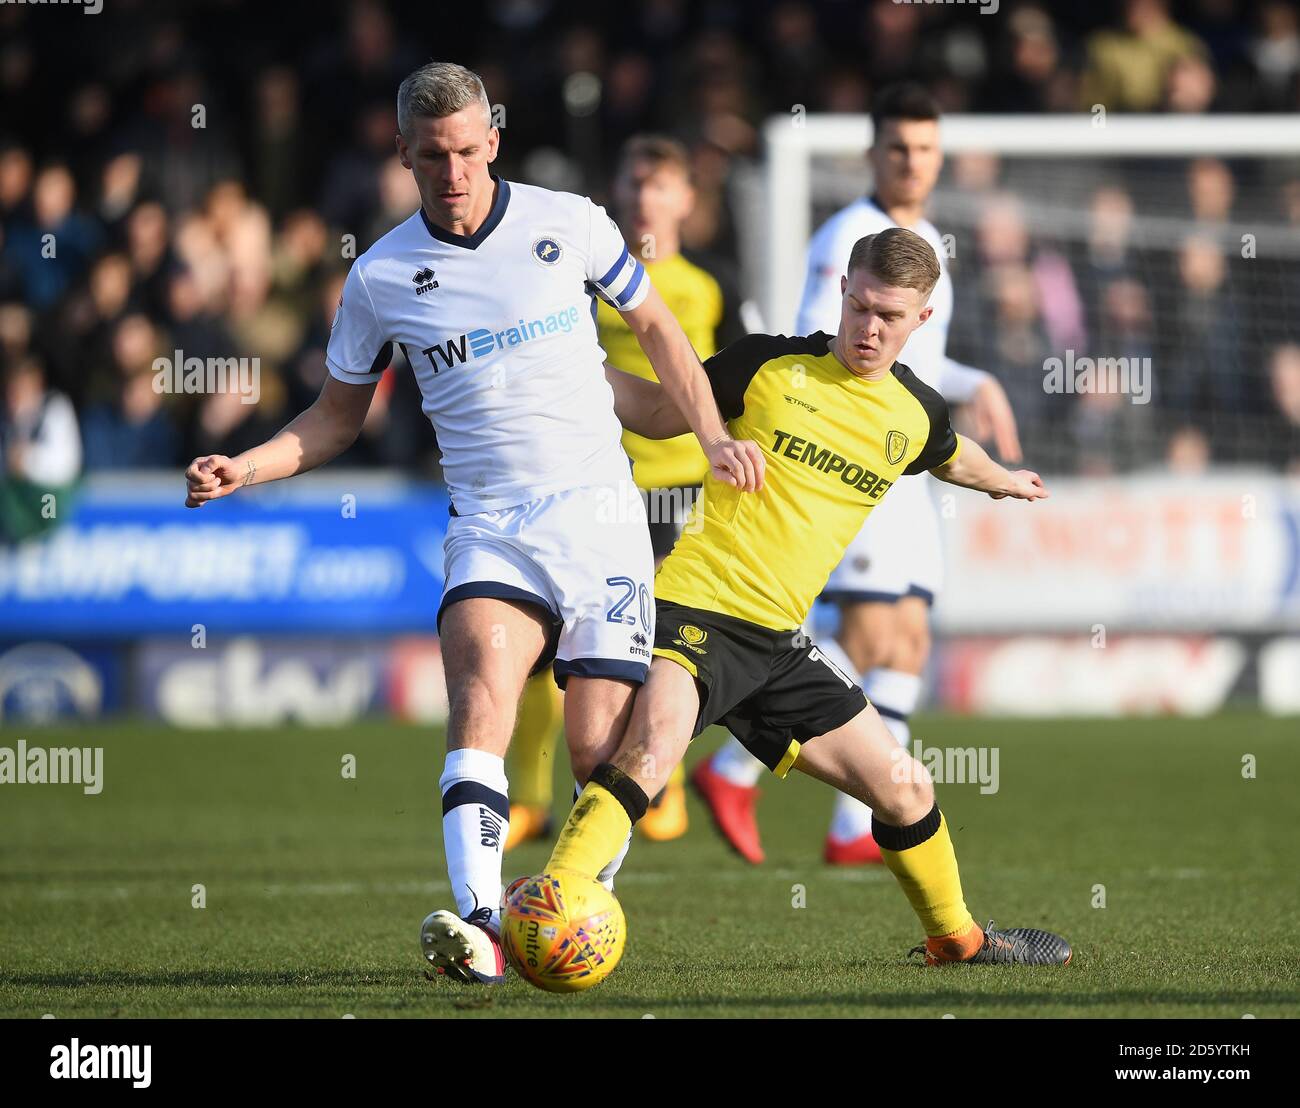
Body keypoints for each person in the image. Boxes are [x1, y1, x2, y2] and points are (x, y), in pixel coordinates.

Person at [182, 61, 764, 985]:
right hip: (490, 523)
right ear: (404, 154)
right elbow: (337, 417)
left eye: (465, 151)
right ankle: (486, 924)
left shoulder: (568, 223)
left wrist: (713, 436)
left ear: (492, 137)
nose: (452, 173)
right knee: (481, 699)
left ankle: (566, 909)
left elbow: (658, 333)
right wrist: (244, 466)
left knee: (594, 749)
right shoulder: (379, 278)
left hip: (601, 517)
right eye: (430, 157)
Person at [540, 227, 1071, 966]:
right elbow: (662, 411)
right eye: (862, 308)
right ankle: (550, 898)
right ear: (844, 293)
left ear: (922, 320)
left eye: (892, 316)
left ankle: (959, 941)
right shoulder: (766, 365)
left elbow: (953, 457)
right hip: (695, 607)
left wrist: (1006, 478)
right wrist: (570, 364)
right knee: (651, 752)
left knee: (905, 790)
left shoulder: (915, 414)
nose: (871, 328)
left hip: (779, 643)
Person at [693, 81, 1022, 866]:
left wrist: (975, 385)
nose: (912, 163)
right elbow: (827, 350)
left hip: (907, 449)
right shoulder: (855, 235)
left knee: (906, 637)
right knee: (872, 631)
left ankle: (851, 833)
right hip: (858, 459)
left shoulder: (927, 237)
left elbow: (922, 359)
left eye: (925, 150)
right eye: (898, 149)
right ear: (873, 153)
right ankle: (735, 768)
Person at [506, 133, 752, 851]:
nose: (645, 196)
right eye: (634, 183)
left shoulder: (715, 282)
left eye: (659, 184)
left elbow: (743, 377)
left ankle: (661, 778)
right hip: (593, 485)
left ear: (685, 198)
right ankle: (529, 799)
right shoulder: (585, 277)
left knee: (657, 646)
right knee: (547, 647)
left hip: (679, 488)